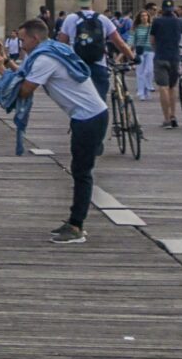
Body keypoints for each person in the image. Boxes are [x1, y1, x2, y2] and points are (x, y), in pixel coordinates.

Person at [12, 16, 110, 244]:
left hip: (89, 118)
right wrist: (7, 65)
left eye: (23, 40)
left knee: (82, 173)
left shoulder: (45, 59)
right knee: (79, 170)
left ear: (35, 38)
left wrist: (1, 71)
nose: (21, 45)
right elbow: (27, 79)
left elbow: (25, 90)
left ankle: (76, 227)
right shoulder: (53, 51)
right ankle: (74, 221)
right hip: (89, 116)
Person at [60, 0, 127, 98]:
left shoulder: (70, 19)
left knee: (78, 100)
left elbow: (61, 44)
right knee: (99, 101)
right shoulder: (103, 19)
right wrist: (133, 57)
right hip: (99, 65)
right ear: (92, 1)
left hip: (77, 66)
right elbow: (120, 43)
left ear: (78, 1)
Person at [149, 0, 182, 128]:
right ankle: (173, 116)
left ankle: (166, 119)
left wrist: (157, 48)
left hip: (160, 57)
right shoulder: (179, 22)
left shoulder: (157, 21)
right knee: (172, 87)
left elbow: (152, 40)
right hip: (174, 57)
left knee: (163, 87)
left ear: (163, 9)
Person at [131, 7, 155, 100]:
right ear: (139, 18)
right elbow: (131, 40)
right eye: (142, 16)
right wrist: (130, 51)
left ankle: (147, 88)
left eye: (145, 16)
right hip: (139, 51)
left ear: (148, 17)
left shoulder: (152, 27)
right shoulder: (136, 28)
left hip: (150, 50)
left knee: (149, 70)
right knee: (140, 72)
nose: (144, 17)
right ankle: (141, 92)